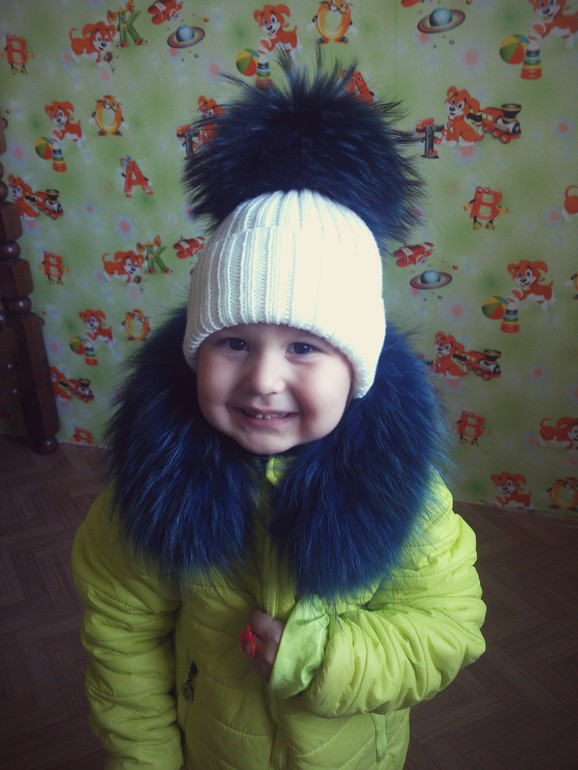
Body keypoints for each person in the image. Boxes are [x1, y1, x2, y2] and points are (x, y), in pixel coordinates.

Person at [72, 59, 486, 770]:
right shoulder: (153, 486)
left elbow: (448, 627)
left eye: (304, 347)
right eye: (233, 342)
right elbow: (120, 632)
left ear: (356, 366)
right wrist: (146, 758)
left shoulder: (403, 494)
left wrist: (324, 659)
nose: (264, 380)